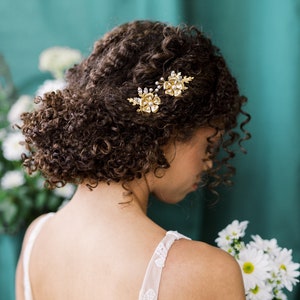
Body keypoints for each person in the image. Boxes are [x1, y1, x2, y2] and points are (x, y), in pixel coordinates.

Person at [16, 20, 250, 299]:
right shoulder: (203, 272)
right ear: (169, 132)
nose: (209, 163)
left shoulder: (36, 240)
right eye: (209, 146)